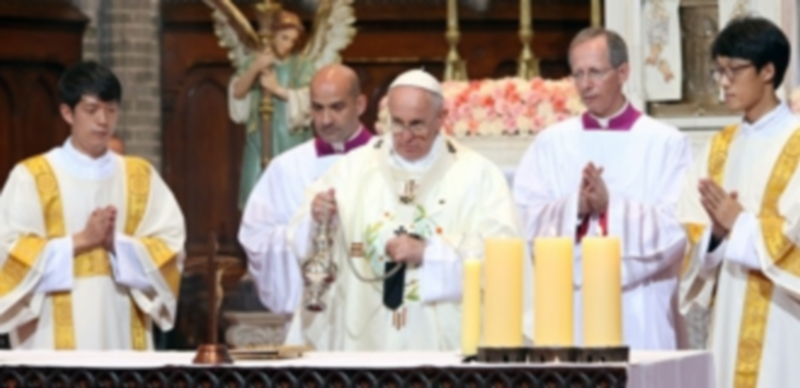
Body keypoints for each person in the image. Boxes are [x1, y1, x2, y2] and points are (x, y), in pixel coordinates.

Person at [284, 69, 523, 350]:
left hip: (444, 341)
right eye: (397, 124)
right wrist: (318, 218)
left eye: (417, 125)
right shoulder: (353, 169)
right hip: (367, 336)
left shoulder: (477, 175)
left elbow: (504, 253)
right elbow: (303, 240)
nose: (406, 136)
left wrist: (430, 253)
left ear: (440, 120)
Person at [513, 27, 692, 349]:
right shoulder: (552, 143)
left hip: (639, 303)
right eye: (578, 74)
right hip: (569, 303)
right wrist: (575, 208)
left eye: (595, 72)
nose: (585, 84)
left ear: (623, 72)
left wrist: (611, 206)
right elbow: (524, 216)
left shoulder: (666, 142)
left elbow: (678, 227)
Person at [0, 61, 186, 350]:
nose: (103, 120)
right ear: (67, 112)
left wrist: (119, 245)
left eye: (111, 110)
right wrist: (80, 241)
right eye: (92, 110)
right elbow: (8, 251)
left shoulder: (141, 176)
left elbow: (172, 248)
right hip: (51, 331)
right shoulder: (32, 177)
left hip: (122, 324)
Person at [679, 17, 799, 387]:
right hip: (730, 310)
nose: (724, 82)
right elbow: (691, 234)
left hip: (785, 320)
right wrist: (714, 236)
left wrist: (739, 224)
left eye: (734, 70)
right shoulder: (718, 148)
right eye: (719, 71)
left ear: (768, 71)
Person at [239, 64, 372, 316]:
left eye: (337, 107)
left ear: (361, 105)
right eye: (317, 107)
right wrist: (307, 225)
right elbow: (255, 240)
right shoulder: (286, 167)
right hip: (310, 316)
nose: (325, 120)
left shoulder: (386, 162)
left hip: (370, 313)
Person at [229, 9, 316, 208]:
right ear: (273, 35)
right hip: (259, 137)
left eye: (293, 40)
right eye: (284, 38)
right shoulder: (257, 61)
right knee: (255, 194)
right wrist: (255, 68)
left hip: (290, 139)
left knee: (291, 197)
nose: (288, 44)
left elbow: (309, 99)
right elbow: (237, 92)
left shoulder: (302, 65)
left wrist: (276, 89)